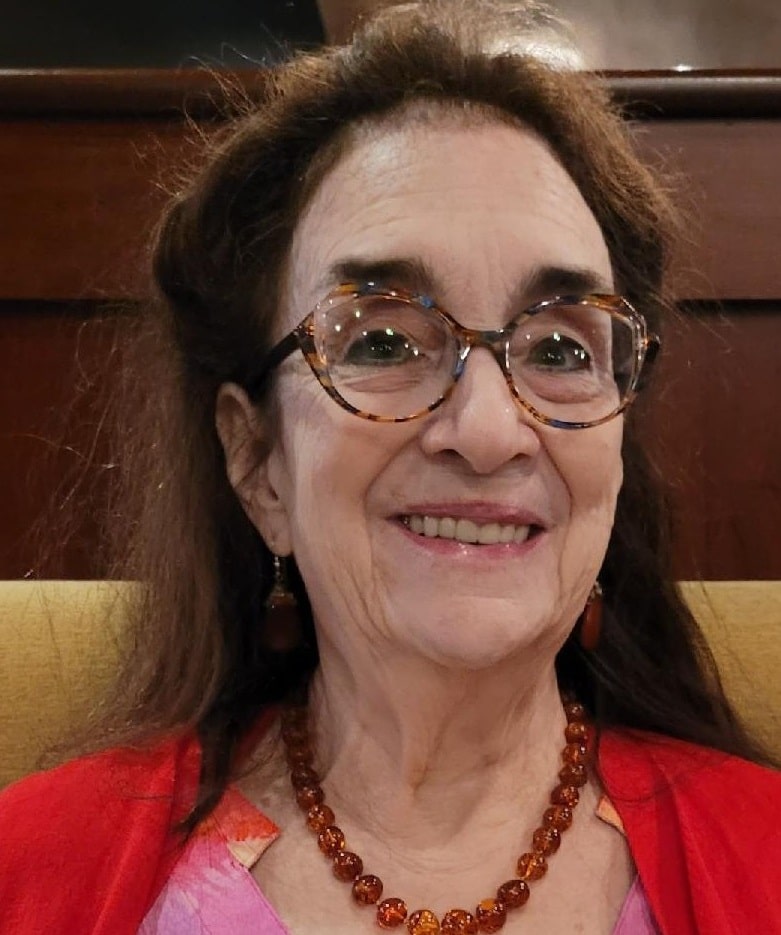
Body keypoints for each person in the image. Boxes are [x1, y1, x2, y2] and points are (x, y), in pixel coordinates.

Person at [1, 2, 779, 933]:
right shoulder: (30, 872)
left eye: (561, 349)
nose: (487, 430)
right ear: (257, 462)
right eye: (380, 340)